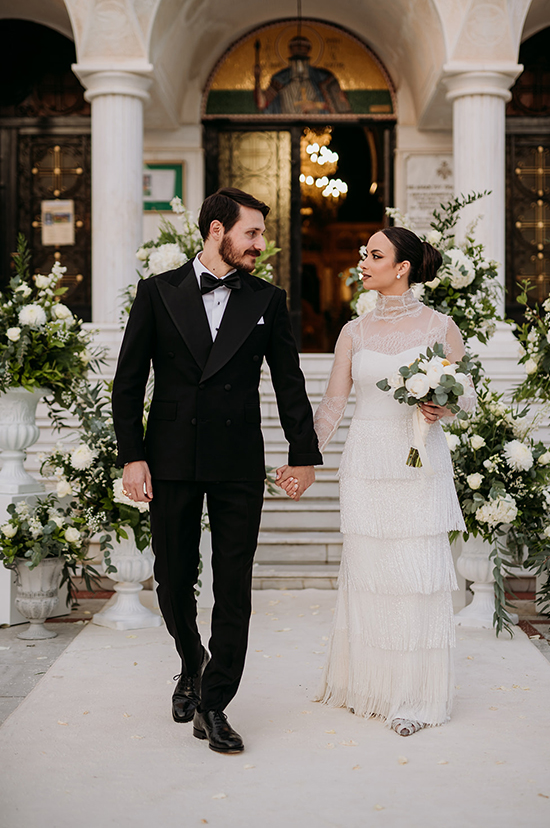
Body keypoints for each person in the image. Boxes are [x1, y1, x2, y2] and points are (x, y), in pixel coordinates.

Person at [112, 187, 322, 754]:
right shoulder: (158, 292)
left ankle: (215, 703)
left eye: (260, 234)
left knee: (233, 587)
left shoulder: (268, 299)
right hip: (171, 457)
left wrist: (302, 454)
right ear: (215, 231)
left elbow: (288, 382)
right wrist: (134, 456)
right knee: (173, 577)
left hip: (236, 461)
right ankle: (191, 660)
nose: (260, 244)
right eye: (250, 233)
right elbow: (128, 382)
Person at [300, 225, 476, 735]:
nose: (363, 260)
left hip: (419, 460)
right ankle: (372, 687)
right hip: (367, 463)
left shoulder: (441, 327)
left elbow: (466, 398)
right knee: (371, 572)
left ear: (402, 267)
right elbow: (334, 405)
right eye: (363, 252)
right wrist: (304, 456)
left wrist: (442, 403)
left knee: (415, 574)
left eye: (374, 254)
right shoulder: (353, 331)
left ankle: (415, 696)